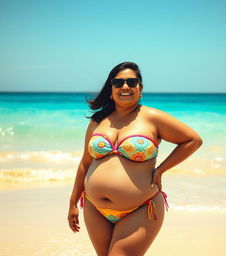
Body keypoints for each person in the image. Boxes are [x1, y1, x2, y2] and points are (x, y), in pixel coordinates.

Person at [68, 61, 203, 256]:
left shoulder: (152, 117)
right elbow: (85, 163)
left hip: (141, 209)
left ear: (140, 89)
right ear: (110, 89)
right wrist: (72, 203)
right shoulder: (98, 121)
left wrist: (161, 170)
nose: (125, 87)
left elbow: (193, 140)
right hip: (94, 208)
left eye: (132, 82)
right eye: (118, 82)